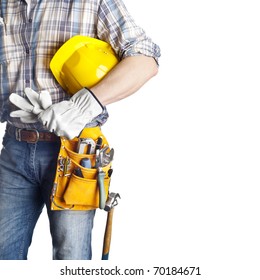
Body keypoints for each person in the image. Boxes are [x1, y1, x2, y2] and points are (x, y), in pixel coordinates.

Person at [0, 0, 160, 260]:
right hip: (14, 148)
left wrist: (84, 104)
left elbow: (145, 59)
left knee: (71, 259)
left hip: (76, 151)